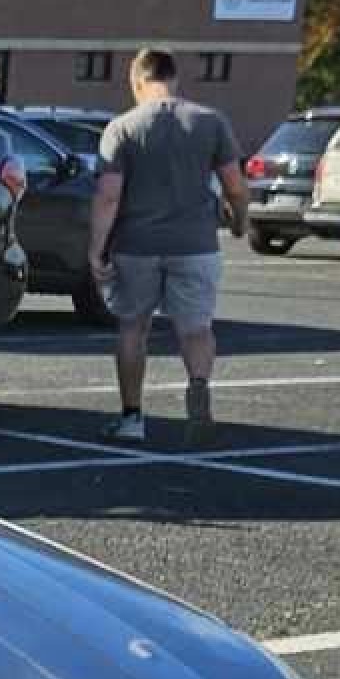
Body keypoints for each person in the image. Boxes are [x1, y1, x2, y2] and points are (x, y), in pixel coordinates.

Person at [88, 46, 247, 446]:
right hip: (196, 244)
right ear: (174, 78)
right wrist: (241, 222)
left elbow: (108, 195)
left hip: (136, 244)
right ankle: (197, 387)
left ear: (138, 81)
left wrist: (96, 248)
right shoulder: (211, 122)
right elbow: (235, 185)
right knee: (196, 328)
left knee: (133, 328)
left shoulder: (122, 128)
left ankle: (132, 417)